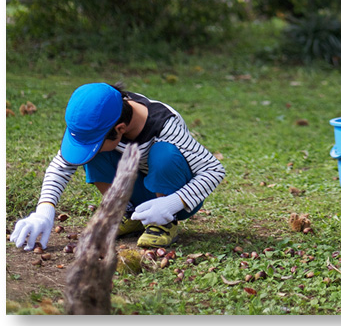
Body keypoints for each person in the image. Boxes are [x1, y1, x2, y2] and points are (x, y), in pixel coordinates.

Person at [10, 82, 226, 251]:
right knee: (94, 153)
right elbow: (62, 165)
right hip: (140, 186)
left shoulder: (166, 127)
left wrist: (170, 204)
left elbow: (214, 170)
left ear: (120, 128)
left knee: (164, 153)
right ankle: (127, 213)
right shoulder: (103, 112)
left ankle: (163, 225)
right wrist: (44, 210)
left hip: (175, 195)